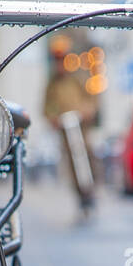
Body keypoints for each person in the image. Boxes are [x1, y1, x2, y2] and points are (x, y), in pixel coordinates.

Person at [43, 37, 98, 218]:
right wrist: (54, 119)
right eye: (57, 60)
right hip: (66, 130)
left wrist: (86, 111)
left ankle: (92, 190)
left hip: (81, 128)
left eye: (62, 59)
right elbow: (46, 107)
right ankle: (81, 197)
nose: (60, 65)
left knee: (88, 155)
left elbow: (91, 99)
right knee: (72, 164)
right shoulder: (52, 84)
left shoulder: (78, 78)